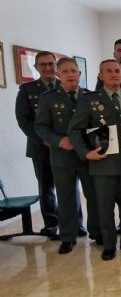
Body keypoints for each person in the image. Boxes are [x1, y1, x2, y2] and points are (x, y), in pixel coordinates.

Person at [68, 59, 121, 261]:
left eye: (117, 71)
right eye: (109, 71)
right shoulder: (89, 100)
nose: (114, 74)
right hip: (102, 164)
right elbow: (75, 130)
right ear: (100, 76)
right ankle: (109, 245)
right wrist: (85, 153)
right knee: (105, 208)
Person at [34, 57, 97, 253]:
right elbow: (40, 126)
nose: (70, 75)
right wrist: (59, 141)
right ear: (58, 75)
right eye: (66, 71)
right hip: (62, 157)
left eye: (74, 71)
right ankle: (68, 237)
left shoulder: (89, 96)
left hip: (87, 156)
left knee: (93, 196)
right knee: (66, 197)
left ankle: (97, 232)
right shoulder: (48, 98)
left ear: (79, 74)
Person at [15, 51, 60, 239]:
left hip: (66, 148)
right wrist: (44, 141)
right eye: (43, 64)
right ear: (36, 67)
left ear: (56, 65)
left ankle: (76, 223)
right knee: (46, 187)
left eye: (51, 63)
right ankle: (51, 224)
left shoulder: (66, 86)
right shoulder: (27, 90)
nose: (48, 67)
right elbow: (24, 121)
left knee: (70, 188)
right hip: (40, 148)